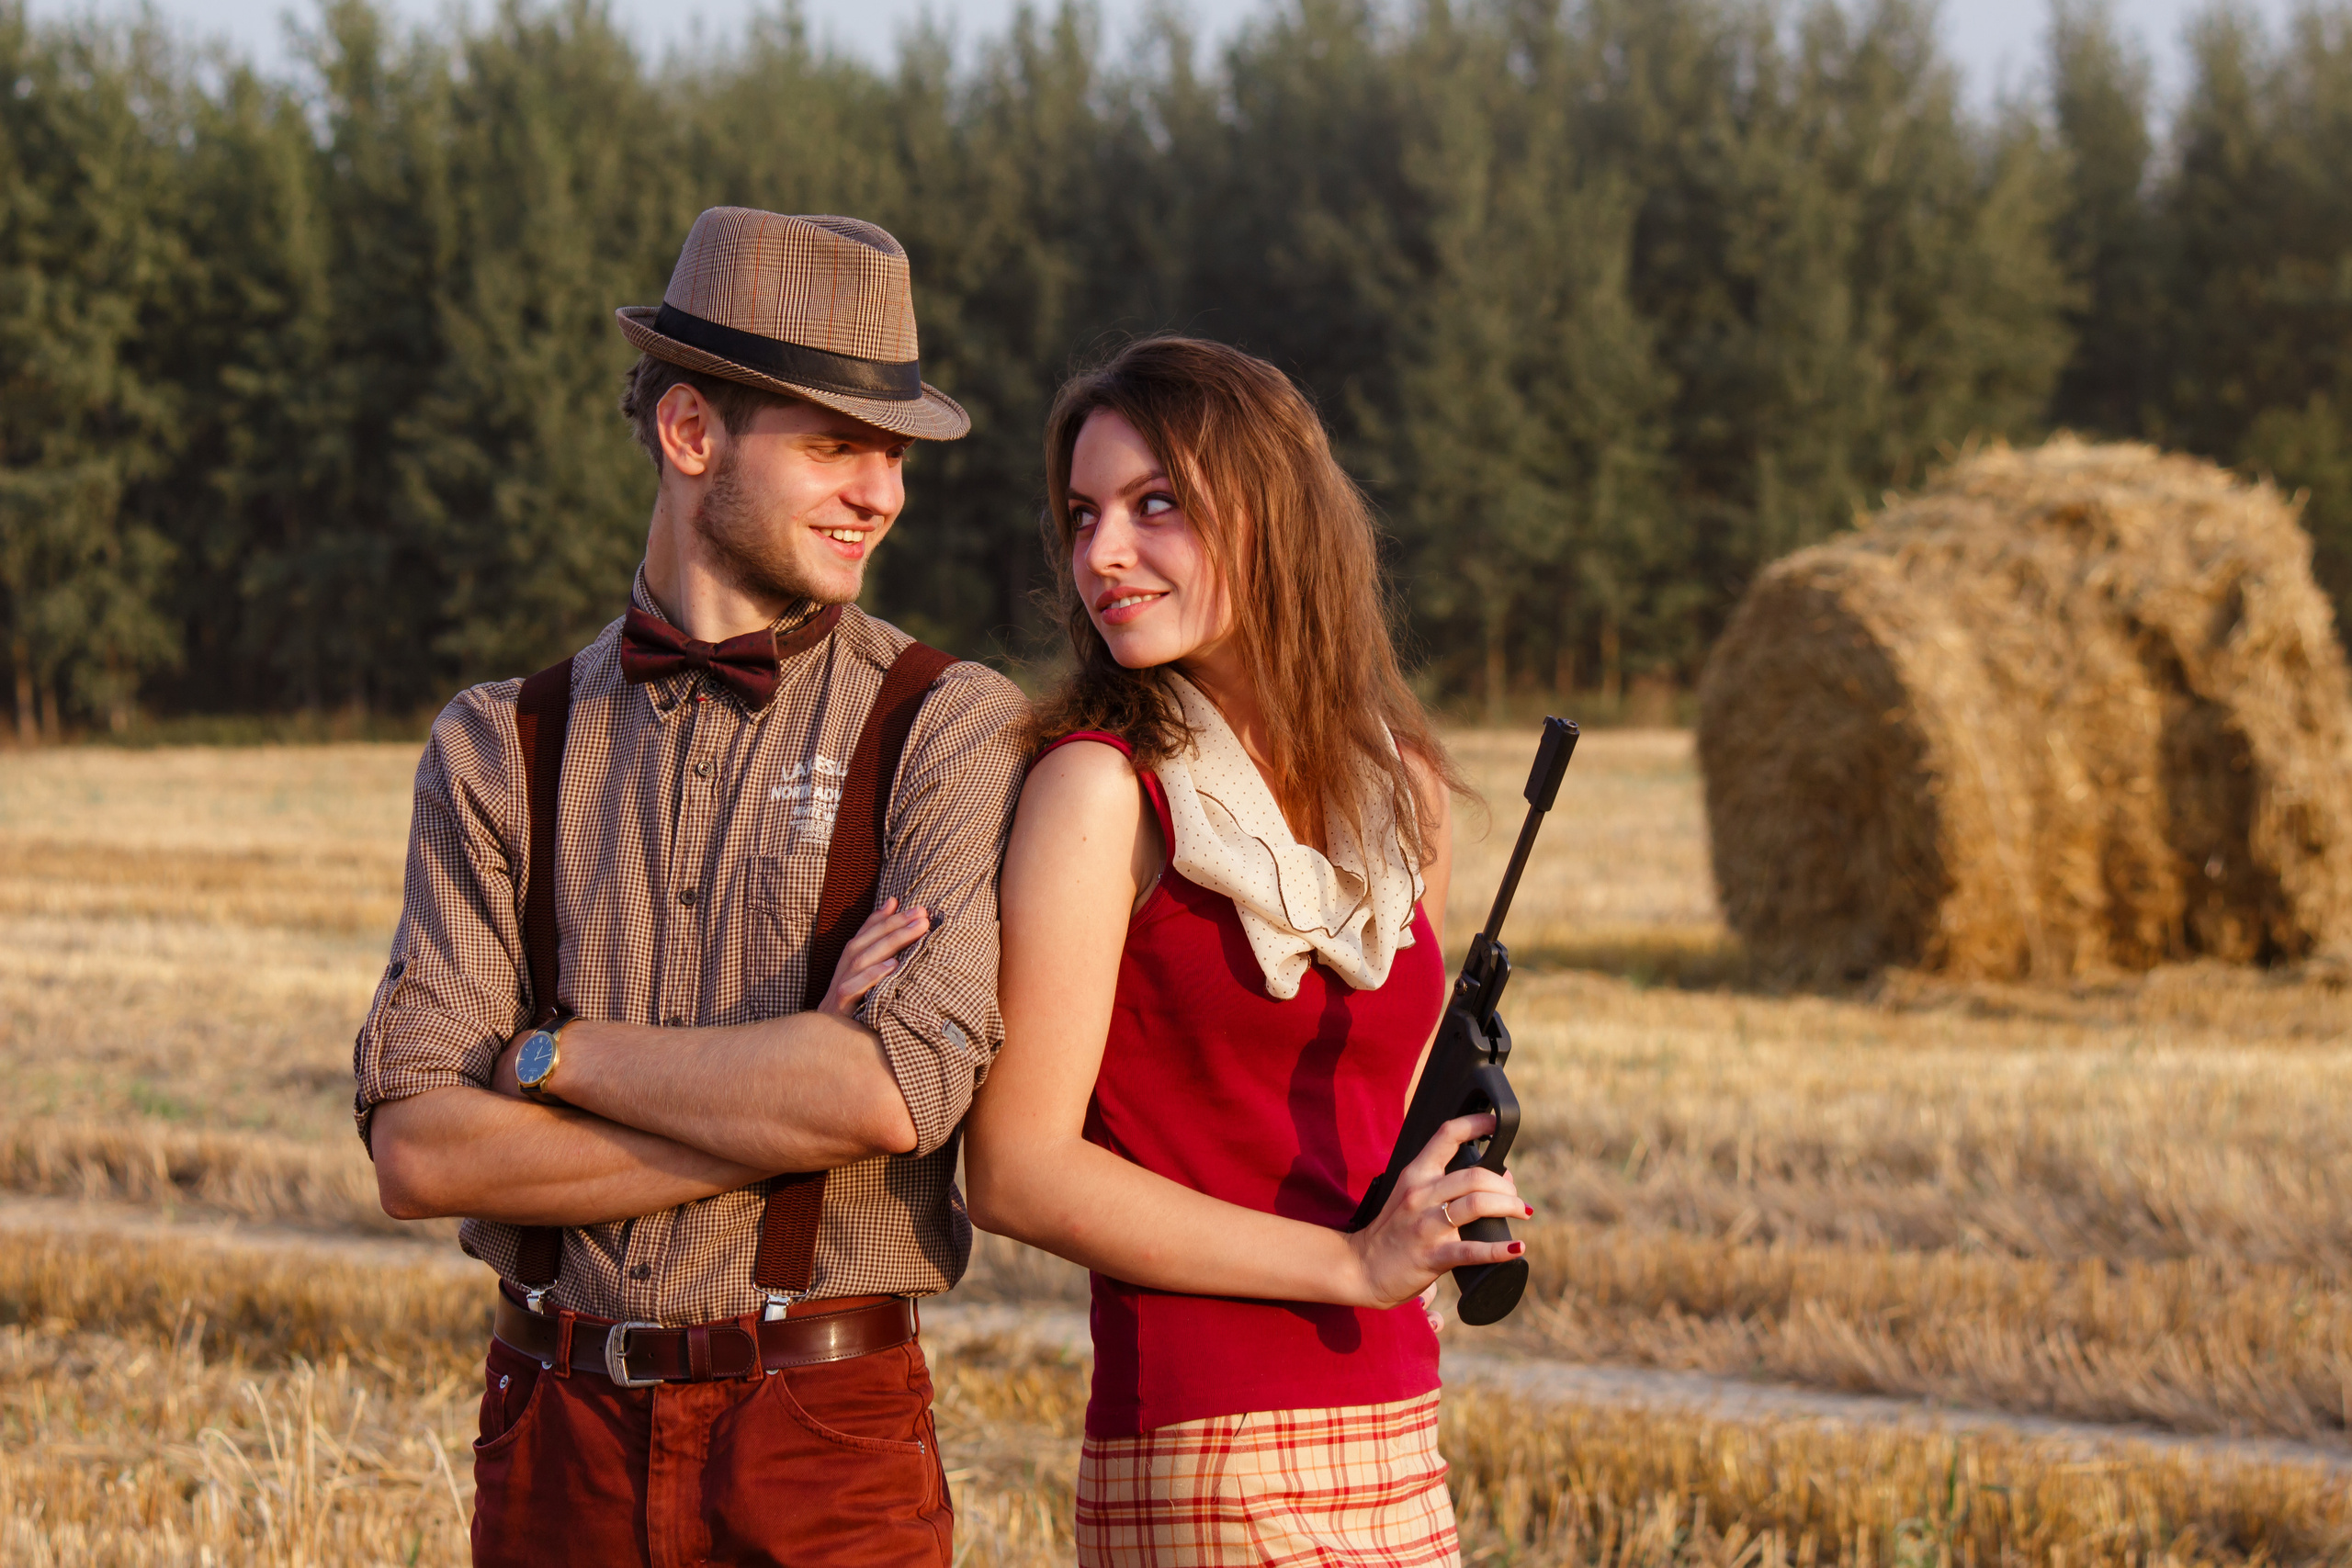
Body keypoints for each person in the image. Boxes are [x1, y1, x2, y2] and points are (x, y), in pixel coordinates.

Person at [353, 207, 1029, 1567]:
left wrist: (552, 1057)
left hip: (826, 1436)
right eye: (837, 445)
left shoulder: (952, 725)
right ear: (688, 433)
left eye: (893, 454)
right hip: (554, 1437)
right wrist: (787, 1091)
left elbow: (894, 1093)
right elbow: (422, 1151)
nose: (882, 493)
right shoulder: (498, 743)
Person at [962, 336, 1529, 1566]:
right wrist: (1345, 1263)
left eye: (1155, 504)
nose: (1100, 553)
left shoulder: (1405, 796)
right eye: (1083, 514)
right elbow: (1015, 1168)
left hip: (1395, 1417)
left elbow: (1370, 1121)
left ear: (1273, 518)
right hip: (1206, 1442)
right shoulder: (1099, 791)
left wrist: (1448, 1185)